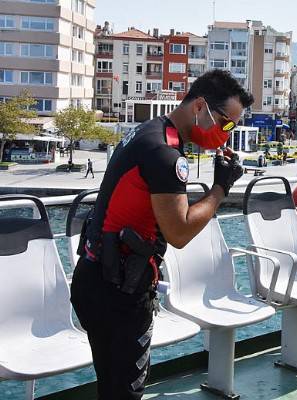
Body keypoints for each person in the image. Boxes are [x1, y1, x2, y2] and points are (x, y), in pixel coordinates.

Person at [70, 69, 252, 400]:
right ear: (200, 106)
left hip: (95, 278)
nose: (227, 134)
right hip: (119, 293)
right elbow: (179, 231)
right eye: (226, 123)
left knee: (111, 384)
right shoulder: (165, 154)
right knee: (125, 390)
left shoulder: (149, 133)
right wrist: (221, 188)